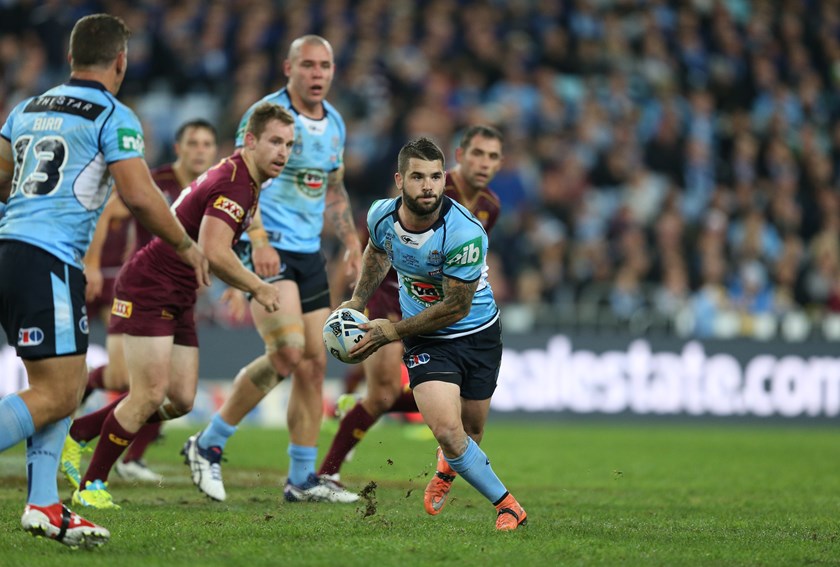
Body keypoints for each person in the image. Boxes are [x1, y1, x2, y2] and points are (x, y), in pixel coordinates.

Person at [0, 14, 209, 548]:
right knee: (57, 393)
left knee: (62, 389)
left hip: (13, 246)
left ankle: (44, 504)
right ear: (121, 61)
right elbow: (140, 195)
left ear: (71, 58)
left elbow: (3, 175)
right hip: (49, 256)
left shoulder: (27, 107)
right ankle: (44, 500)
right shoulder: (113, 114)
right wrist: (185, 246)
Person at [66, 103, 291, 510]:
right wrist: (256, 286)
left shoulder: (244, 177)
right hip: (151, 286)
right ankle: (90, 484)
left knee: (181, 399)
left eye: (289, 145)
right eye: (275, 141)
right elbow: (212, 250)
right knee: (147, 394)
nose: (283, 152)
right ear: (251, 140)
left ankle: (81, 431)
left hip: (180, 291)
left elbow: (217, 243)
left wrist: (238, 276)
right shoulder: (237, 183)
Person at [183, 34, 362, 504]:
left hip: (308, 254)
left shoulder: (336, 124)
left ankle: (302, 479)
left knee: (314, 364)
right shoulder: (266, 113)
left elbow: (335, 188)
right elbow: (244, 173)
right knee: (287, 352)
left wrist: (349, 240)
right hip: (268, 247)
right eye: (308, 65)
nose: (317, 74)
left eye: (325, 65)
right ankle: (208, 443)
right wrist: (256, 238)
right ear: (289, 68)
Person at [342, 137, 526, 530]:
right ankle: (508, 505)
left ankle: (445, 472)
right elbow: (377, 250)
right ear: (399, 180)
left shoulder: (465, 231)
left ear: (445, 179)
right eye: (418, 177)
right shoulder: (379, 215)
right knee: (446, 428)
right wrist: (358, 300)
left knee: (470, 431)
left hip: (477, 332)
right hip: (426, 339)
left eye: (436, 177)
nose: (428, 186)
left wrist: (390, 330)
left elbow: (455, 307)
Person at [62, 120, 219, 485]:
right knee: (137, 386)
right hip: (143, 288)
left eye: (207, 143)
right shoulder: (155, 182)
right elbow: (108, 214)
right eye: (192, 142)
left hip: (180, 295)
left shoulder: (214, 187)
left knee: (168, 394)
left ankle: (89, 433)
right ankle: (102, 453)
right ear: (178, 148)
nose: (200, 150)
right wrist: (92, 264)